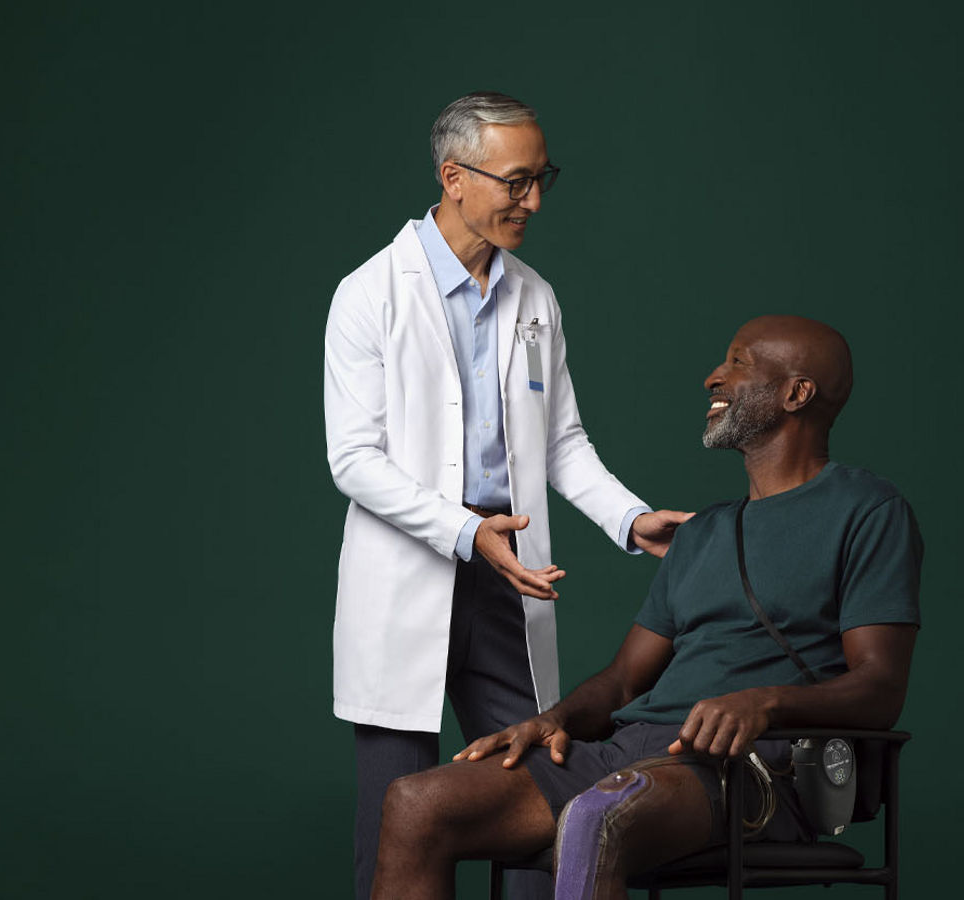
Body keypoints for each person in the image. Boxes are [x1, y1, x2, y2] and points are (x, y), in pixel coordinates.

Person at [369, 315, 924, 900]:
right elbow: (622, 681)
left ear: (796, 392)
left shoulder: (867, 509)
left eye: (738, 362)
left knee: (599, 817)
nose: (714, 377)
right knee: (417, 803)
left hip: (755, 766)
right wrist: (550, 721)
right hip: (629, 752)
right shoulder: (703, 531)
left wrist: (763, 701)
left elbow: (880, 688)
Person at [323, 91, 691, 899]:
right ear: (455, 177)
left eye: (541, 179)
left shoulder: (535, 299)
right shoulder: (369, 294)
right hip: (409, 576)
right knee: (396, 813)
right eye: (516, 182)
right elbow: (353, 460)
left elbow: (561, 443)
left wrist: (630, 518)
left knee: (536, 787)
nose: (533, 201)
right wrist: (464, 531)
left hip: (507, 581)